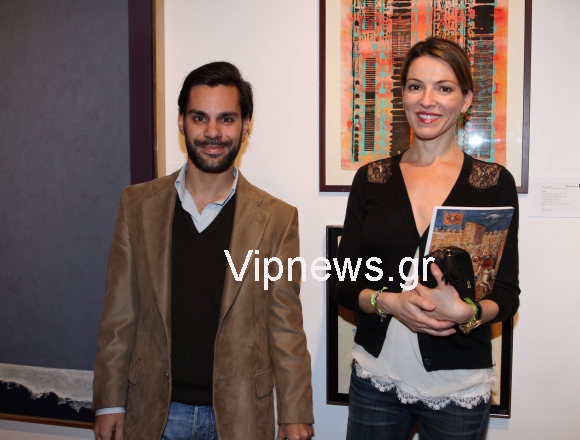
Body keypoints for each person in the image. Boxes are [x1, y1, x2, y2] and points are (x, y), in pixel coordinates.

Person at [92, 61, 314, 440]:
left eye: (227, 119)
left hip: (240, 416)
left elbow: (285, 326)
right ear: (182, 122)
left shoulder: (277, 219)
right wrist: (109, 402)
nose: (213, 132)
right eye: (200, 118)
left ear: (246, 125)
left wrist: (295, 412)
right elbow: (119, 315)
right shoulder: (137, 205)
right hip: (153, 413)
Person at [331, 37, 520, 440]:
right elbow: (342, 284)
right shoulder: (371, 179)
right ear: (403, 95)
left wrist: (467, 313)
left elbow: (506, 294)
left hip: (457, 388)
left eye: (444, 88)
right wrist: (389, 302)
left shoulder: (493, 184)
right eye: (416, 86)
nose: (427, 100)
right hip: (376, 379)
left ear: (466, 100)